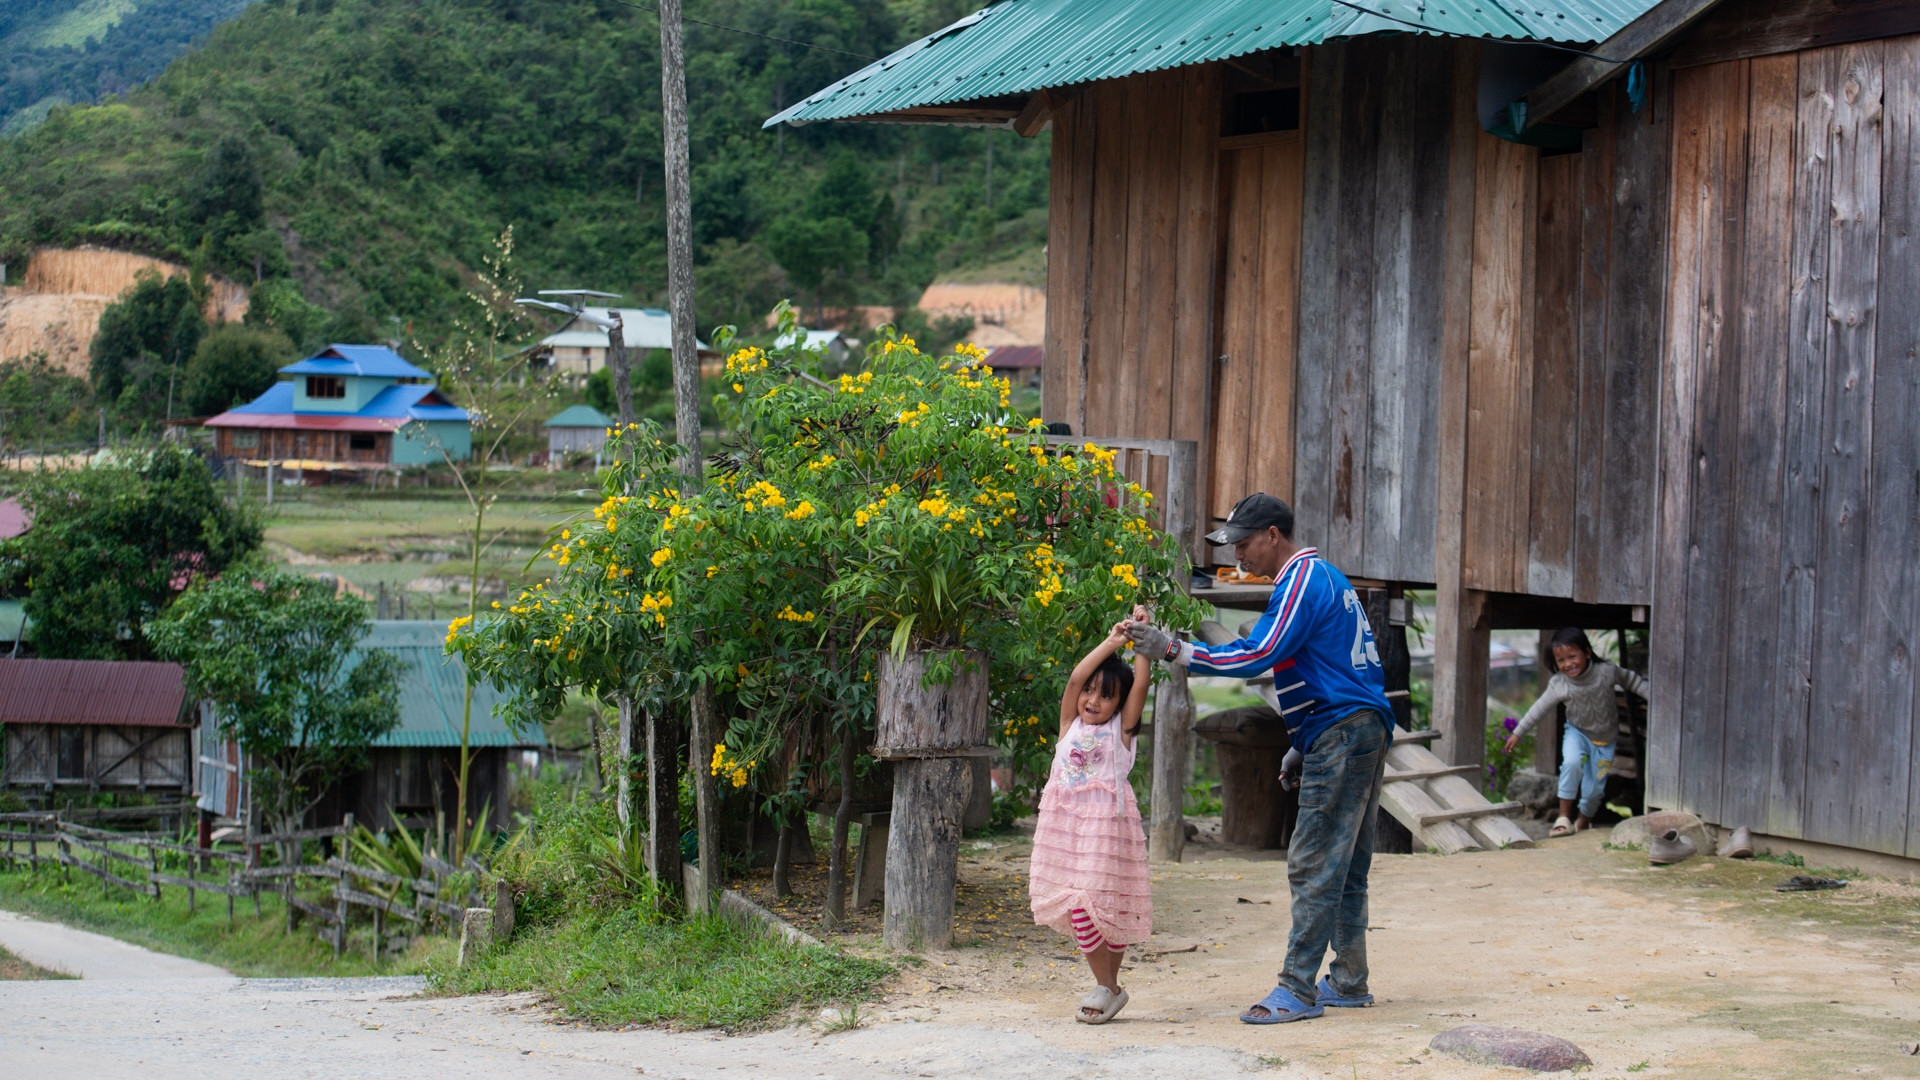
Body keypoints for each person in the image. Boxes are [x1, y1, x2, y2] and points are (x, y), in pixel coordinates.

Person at [1124, 492, 1393, 1025]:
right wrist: (1303, 741)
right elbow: (1341, 666)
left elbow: (1259, 653)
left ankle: (1297, 988)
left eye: (1244, 544)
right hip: (1358, 725)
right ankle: (1349, 979)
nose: (1238, 557)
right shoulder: (1331, 579)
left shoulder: (1299, 580)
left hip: (1341, 730)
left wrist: (1173, 649)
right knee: (1347, 865)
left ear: (1274, 535)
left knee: (1314, 861)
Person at [1027, 617, 1153, 1025]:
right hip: (1065, 832)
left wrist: (1142, 643)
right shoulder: (1069, 726)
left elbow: (1141, 686)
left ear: (1119, 705)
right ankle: (1109, 987)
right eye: (1090, 693)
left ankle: (1108, 988)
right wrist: (1113, 640)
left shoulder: (1121, 733)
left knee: (1108, 910)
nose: (1093, 701)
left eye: (1106, 696)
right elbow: (1076, 677)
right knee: (1080, 908)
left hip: (1107, 830)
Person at [1504, 626, 1648, 837]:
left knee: (1594, 791)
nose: (1568, 664)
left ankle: (1583, 821)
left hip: (1604, 739)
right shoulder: (1559, 684)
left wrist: (1655, 697)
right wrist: (1518, 733)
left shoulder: (1606, 672)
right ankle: (1563, 818)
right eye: (1561, 661)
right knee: (1571, 764)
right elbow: (1539, 708)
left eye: (1572, 656)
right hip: (1577, 733)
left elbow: (1633, 681)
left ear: (1587, 653)